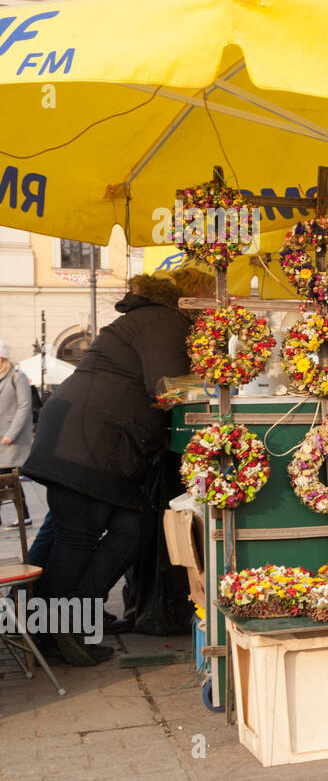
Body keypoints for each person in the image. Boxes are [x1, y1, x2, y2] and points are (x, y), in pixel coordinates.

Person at [24, 267, 213, 666]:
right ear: (192, 297)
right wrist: (216, 381)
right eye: (211, 297)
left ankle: (58, 618)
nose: (215, 306)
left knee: (128, 527)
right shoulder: (163, 320)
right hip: (90, 440)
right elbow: (165, 386)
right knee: (78, 535)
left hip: (86, 436)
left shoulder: (151, 318)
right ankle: (54, 629)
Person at [0, 340, 34, 529]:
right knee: (5, 479)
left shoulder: (17, 376)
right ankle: (25, 516)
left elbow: (25, 406)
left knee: (10, 478)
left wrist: (12, 433)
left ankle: (25, 516)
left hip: (11, 439)